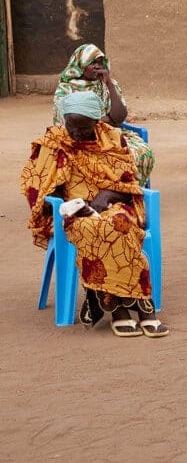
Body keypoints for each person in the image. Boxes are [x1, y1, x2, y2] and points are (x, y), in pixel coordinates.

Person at [21, 91, 169, 337]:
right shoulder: (54, 143)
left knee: (120, 224)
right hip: (74, 213)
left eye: (84, 127)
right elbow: (38, 187)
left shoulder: (113, 139)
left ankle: (125, 304)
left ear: (96, 122)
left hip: (116, 204)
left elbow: (130, 184)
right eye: (72, 126)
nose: (77, 133)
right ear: (64, 120)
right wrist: (70, 199)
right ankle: (130, 308)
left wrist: (108, 195)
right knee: (95, 228)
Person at [52, 44, 154, 186]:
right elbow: (67, 121)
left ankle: (127, 189)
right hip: (78, 136)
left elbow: (119, 117)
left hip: (110, 134)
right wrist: (107, 119)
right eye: (92, 62)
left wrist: (109, 84)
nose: (98, 66)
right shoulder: (66, 87)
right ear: (81, 63)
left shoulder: (108, 85)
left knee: (141, 152)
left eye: (100, 62)